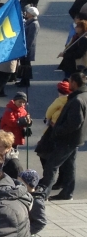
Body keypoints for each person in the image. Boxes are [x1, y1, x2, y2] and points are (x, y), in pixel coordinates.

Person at [37, 71, 87, 200]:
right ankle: (67, 193)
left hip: (67, 139)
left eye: (70, 81)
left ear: (74, 83)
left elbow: (74, 123)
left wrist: (57, 129)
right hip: (77, 138)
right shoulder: (83, 96)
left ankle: (44, 194)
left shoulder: (77, 100)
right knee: (70, 166)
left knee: (52, 165)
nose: (68, 83)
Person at [19, 169, 48, 237]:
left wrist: (25, 233)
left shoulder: (36, 202)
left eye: (21, 183)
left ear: (29, 184)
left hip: (26, 236)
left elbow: (41, 222)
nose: (18, 185)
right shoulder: (24, 194)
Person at [16, 6, 39, 87]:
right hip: (24, 46)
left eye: (28, 12)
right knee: (23, 64)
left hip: (27, 48)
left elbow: (30, 38)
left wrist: (26, 49)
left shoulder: (34, 24)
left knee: (26, 65)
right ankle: (23, 80)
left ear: (31, 14)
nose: (26, 13)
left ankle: (26, 81)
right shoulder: (29, 22)